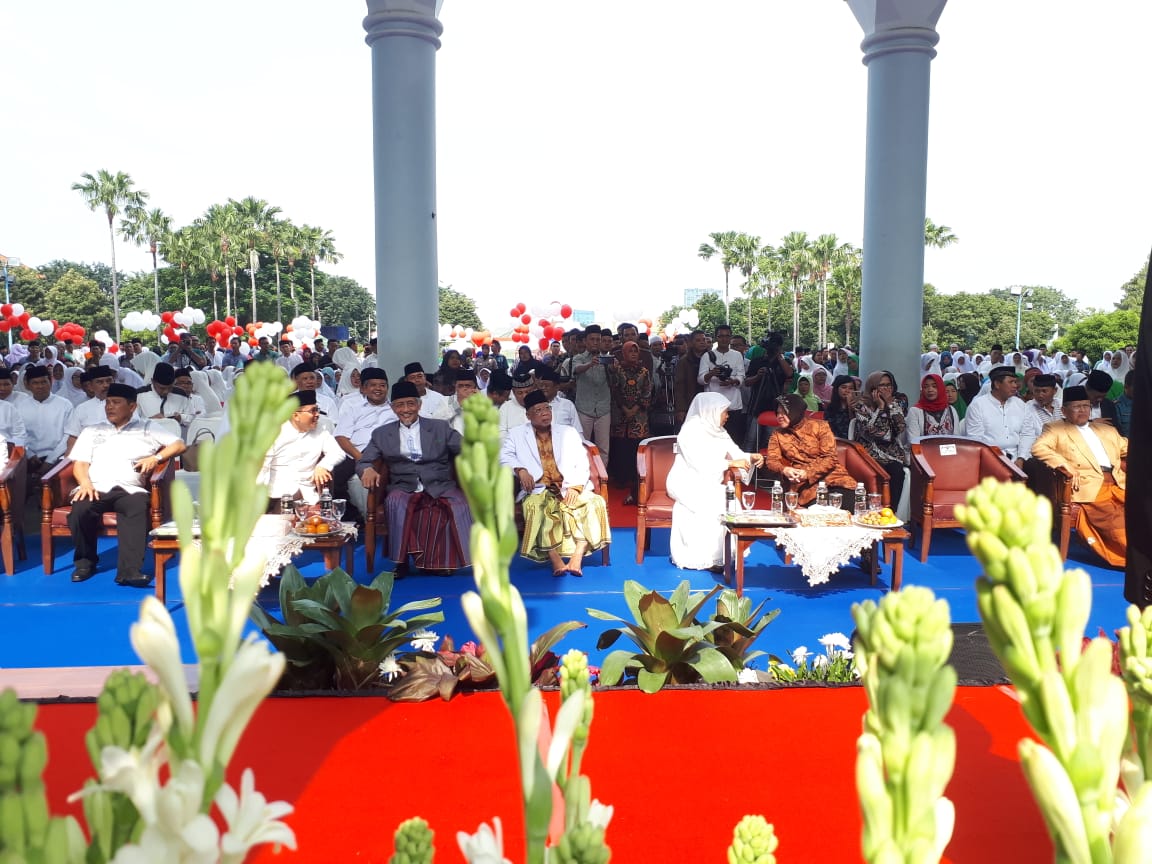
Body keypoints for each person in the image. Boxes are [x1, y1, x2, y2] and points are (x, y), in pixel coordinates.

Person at [67, 383, 186, 587]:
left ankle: (129, 571)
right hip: (96, 486)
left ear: (132, 407)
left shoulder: (147, 427)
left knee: (137, 508)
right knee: (80, 510)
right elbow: (79, 462)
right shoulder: (93, 429)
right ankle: (85, 562)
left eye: (116, 403)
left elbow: (179, 444)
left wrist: (156, 458)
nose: (109, 407)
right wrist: (85, 483)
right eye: (107, 403)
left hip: (130, 488)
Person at [355, 381, 472, 574]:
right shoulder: (382, 434)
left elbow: (466, 448)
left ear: (419, 405)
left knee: (457, 505)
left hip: (439, 484)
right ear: (393, 408)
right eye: (400, 405)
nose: (406, 410)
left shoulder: (439, 428)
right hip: (403, 485)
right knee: (395, 503)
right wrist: (367, 469)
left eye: (410, 404)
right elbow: (364, 460)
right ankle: (400, 563)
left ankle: (439, 563)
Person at [500, 390, 610, 576]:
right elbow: (504, 456)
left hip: (568, 485)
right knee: (536, 507)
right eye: (538, 410)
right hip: (539, 488)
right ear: (528, 415)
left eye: (547, 408)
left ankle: (577, 556)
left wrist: (576, 486)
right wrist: (520, 469)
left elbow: (582, 461)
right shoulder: (517, 434)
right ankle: (555, 559)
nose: (545, 413)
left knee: (594, 503)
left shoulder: (568, 431)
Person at [1031, 385, 1128, 566]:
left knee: (1141, 512)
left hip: (1118, 483)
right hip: (1089, 486)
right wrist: (1064, 464)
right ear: (1064, 410)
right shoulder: (1055, 428)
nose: (1082, 410)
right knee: (1117, 520)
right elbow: (1038, 448)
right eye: (1077, 407)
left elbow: (1129, 448)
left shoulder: (1105, 429)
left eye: (1086, 406)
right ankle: (1135, 560)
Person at [666, 392, 764, 571]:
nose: (727, 416)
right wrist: (730, 463)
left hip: (711, 479)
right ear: (711, 410)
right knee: (712, 499)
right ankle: (706, 557)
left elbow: (735, 451)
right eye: (725, 412)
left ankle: (720, 555)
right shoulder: (690, 431)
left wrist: (751, 457)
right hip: (687, 480)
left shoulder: (719, 431)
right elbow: (699, 462)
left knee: (725, 497)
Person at [765, 394, 857, 507]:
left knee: (851, 502)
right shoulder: (778, 434)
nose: (779, 416)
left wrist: (808, 473)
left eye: (784, 412)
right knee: (819, 511)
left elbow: (830, 458)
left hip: (834, 477)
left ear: (796, 411)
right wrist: (785, 469)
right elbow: (771, 461)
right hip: (805, 484)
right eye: (778, 413)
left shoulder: (820, 426)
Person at [258, 391, 346, 506]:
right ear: (295, 415)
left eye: (317, 410)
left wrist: (322, 466)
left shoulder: (321, 428)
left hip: (308, 494)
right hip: (277, 495)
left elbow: (338, 452)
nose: (317, 415)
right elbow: (262, 467)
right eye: (312, 411)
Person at [332, 367, 396, 521]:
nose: (378, 389)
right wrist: (360, 458)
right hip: (355, 453)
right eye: (373, 385)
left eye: (382, 385)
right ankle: (353, 517)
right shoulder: (354, 409)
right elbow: (341, 436)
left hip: (384, 454)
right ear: (364, 388)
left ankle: (386, 515)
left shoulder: (395, 409)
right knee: (333, 478)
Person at [851, 371, 909, 506]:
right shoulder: (860, 406)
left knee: (897, 469)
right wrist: (881, 408)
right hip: (869, 450)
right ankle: (872, 509)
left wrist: (890, 406)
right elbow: (879, 434)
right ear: (873, 388)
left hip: (891, 452)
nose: (887, 389)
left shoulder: (894, 404)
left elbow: (900, 428)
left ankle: (891, 511)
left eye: (889, 385)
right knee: (880, 470)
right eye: (882, 385)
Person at [606, 340, 653, 502]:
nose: (633, 354)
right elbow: (614, 389)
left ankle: (635, 478)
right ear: (624, 353)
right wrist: (624, 408)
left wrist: (635, 408)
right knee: (620, 447)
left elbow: (647, 391)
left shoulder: (644, 371)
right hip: (620, 414)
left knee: (636, 447)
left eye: (635, 351)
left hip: (638, 415)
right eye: (630, 351)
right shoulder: (617, 370)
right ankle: (621, 478)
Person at [18, 365, 73, 490]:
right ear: (28, 385)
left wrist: (50, 460)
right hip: (29, 457)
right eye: (35, 383)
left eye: (44, 382)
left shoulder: (64, 404)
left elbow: (68, 436)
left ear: (51, 381)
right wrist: (30, 454)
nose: (40, 386)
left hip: (57, 456)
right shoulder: (21, 406)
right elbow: (19, 435)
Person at [963, 366, 1028, 467]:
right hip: (990, 459)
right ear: (997, 384)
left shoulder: (1020, 404)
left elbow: (1027, 433)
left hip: (1018, 458)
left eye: (1015, 382)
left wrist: (1021, 458)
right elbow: (976, 440)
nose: (1015, 385)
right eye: (1011, 382)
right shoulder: (977, 406)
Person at [698, 324, 747, 444]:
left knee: (734, 441)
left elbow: (741, 376)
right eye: (721, 336)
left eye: (727, 336)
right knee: (713, 442)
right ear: (716, 338)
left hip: (733, 405)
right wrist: (712, 373)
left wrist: (733, 381)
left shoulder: (737, 355)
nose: (724, 339)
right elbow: (700, 379)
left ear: (730, 338)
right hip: (713, 407)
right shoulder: (707, 356)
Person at [571, 326, 613, 463]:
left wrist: (615, 368)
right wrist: (589, 364)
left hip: (603, 408)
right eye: (592, 339)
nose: (595, 342)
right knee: (583, 446)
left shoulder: (608, 359)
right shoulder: (578, 358)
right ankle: (584, 477)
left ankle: (602, 480)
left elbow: (615, 380)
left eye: (598, 339)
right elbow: (576, 369)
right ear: (585, 341)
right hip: (584, 409)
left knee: (603, 448)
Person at [906, 373, 961, 443]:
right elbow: (913, 440)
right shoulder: (915, 411)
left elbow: (956, 438)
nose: (930, 390)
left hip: (949, 452)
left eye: (934, 386)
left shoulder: (951, 410)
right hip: (924, 452)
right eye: (926, 387)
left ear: (941, 388)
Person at [824, 374, 858, 440]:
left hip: (854, 443)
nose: (847, 391)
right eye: (844, 387)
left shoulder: (858, 408)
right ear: (837, 389)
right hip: (836, 442)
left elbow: (855, 427)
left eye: (851, 388)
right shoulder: (830, 408)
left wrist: (850, 407)